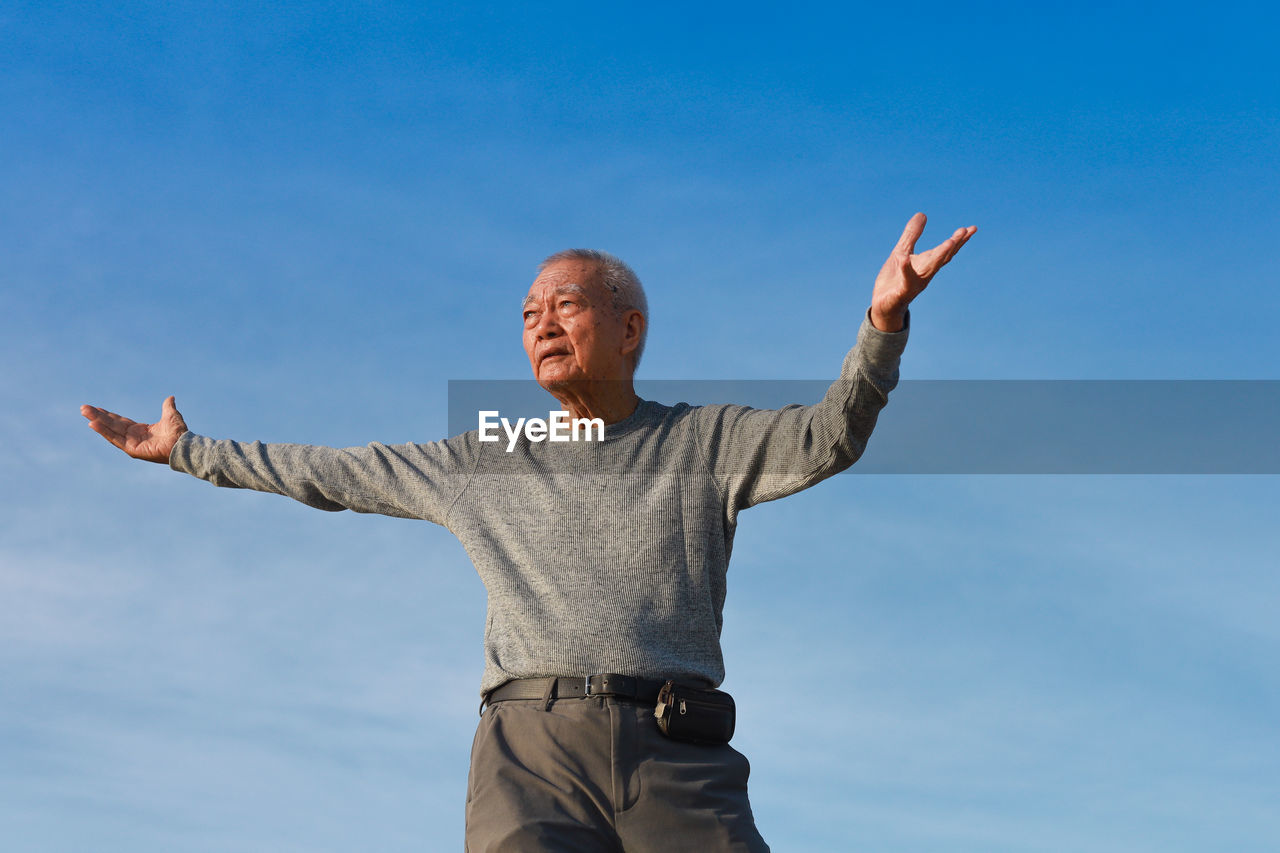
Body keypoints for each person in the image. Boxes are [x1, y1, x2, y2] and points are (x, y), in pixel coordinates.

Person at [82, 213, 976, 851]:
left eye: (566, 306)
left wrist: (882, 325)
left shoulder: (703, 441)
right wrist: (191, 451)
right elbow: (333, 472)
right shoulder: (488, 458)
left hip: (679, 751)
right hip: (530, 755)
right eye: (527, 314)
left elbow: (829, 437)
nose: (542, 323)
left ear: (629, 329)